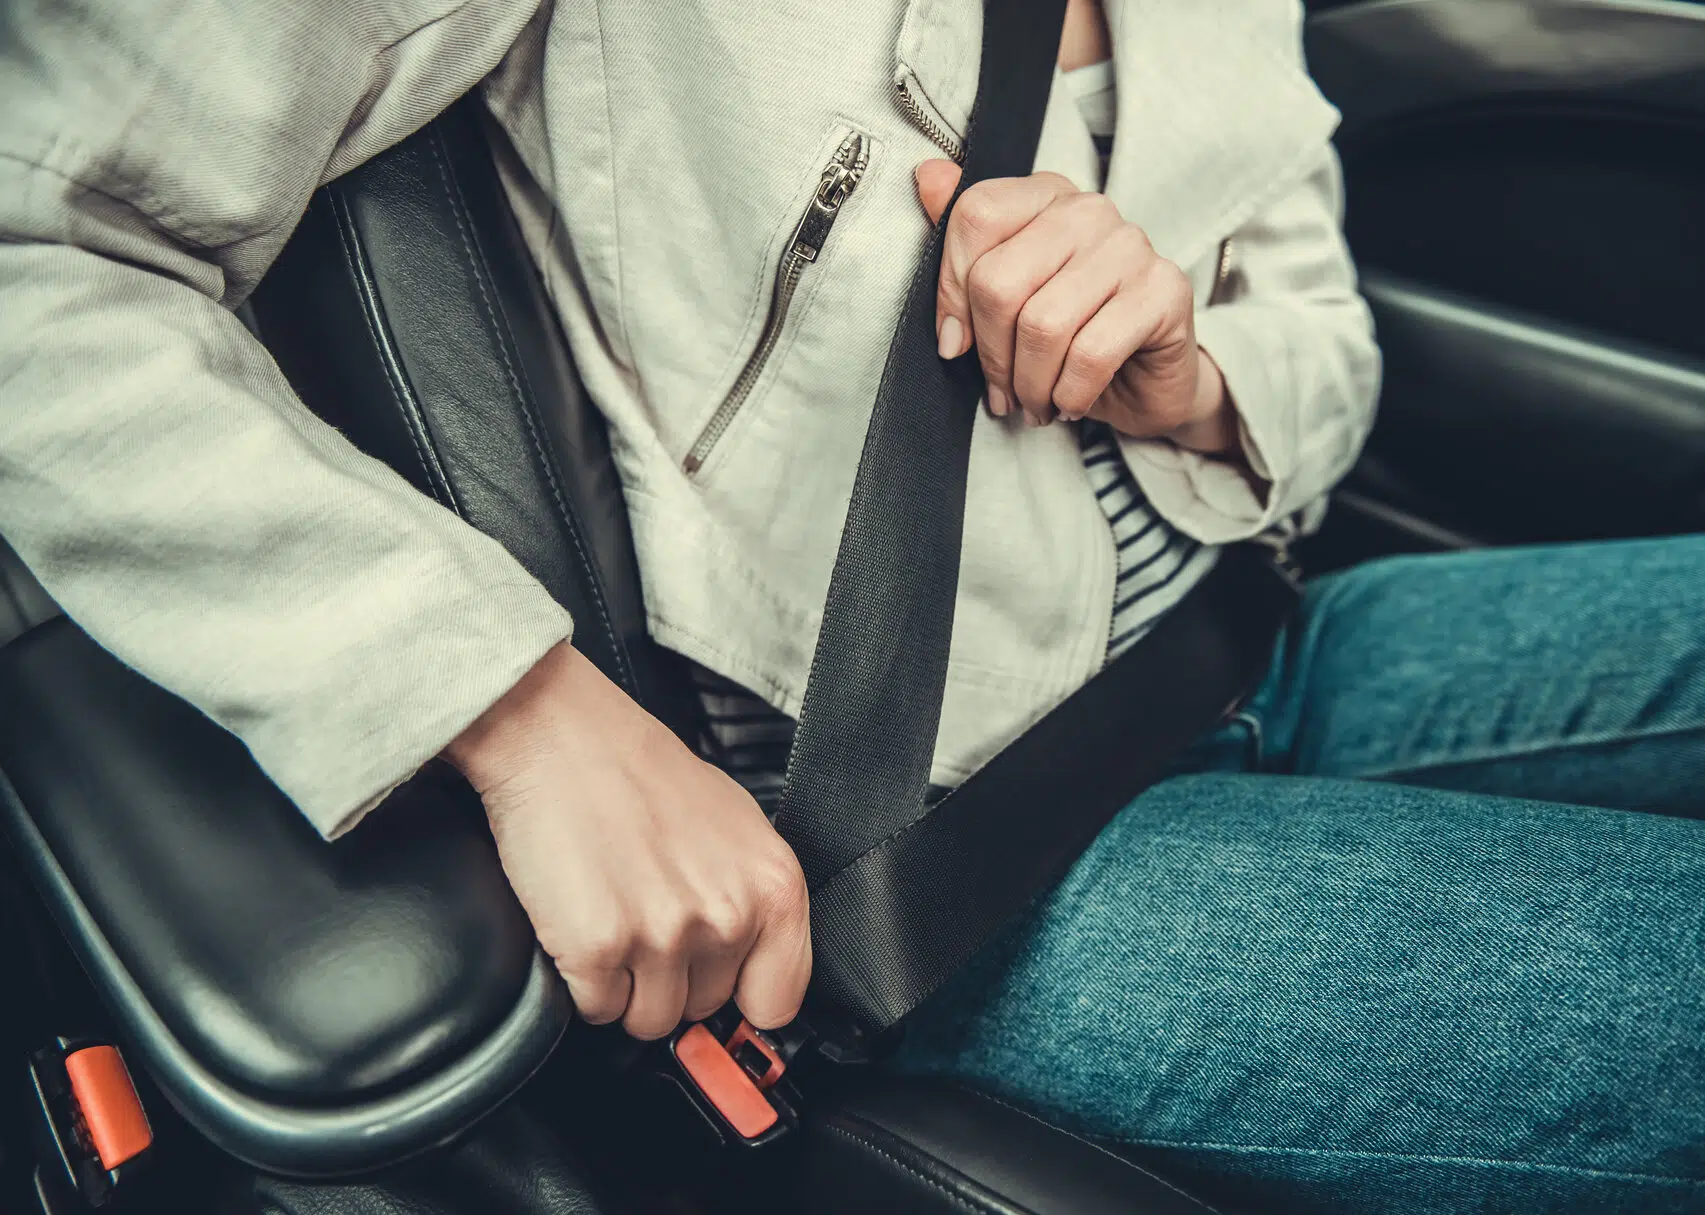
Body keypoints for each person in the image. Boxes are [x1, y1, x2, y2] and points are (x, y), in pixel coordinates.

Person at [1, 0, 1700, 1211]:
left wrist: (1192, 377)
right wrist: (513, 706)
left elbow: (1327, 337)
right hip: (933, 839)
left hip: (1245, 632)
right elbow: (35, 245)